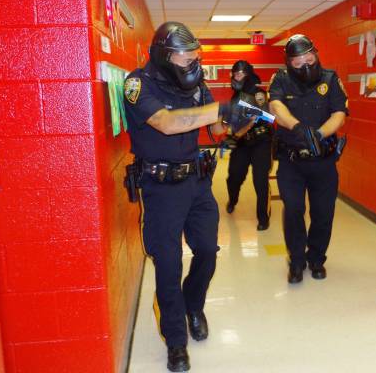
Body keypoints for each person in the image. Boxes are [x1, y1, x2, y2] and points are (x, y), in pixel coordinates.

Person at [123, 21, 257, 372]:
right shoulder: (138, 83)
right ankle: (176, 341)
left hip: (197, 182)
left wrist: (240, 119)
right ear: (166, 56)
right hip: (160, 186)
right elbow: (166, 123)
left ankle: (193, 306)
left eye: (197, 57)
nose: (194, 65)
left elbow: (215, 130)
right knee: (168, 265)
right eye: (188, 58)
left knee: (208, 252)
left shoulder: (196, 84)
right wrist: (222, 109)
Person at [269, 34, 348, 284]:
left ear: (316, 55)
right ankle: (296, 260)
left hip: (323, 161)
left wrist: (320, 134)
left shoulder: (330, 78)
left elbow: (339, 113)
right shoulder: (280, 79)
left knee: (323, 213)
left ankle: (316, 259)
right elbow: (276, 107)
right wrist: (297, 128)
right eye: (298, 61)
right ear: (289, 62)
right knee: (293, 210)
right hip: (291, 161)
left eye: (309, 58)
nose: (305, 64)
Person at [225, 60, 274, 231]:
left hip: (261, 141)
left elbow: (270, 118)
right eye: (235, 73)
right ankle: (232, 200)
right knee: (233, 178)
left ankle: (263, 217)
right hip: (241, 143)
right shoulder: (236, 95)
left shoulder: (259, 93)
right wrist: (230, 134)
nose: (237, 77)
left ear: (248, 75)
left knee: (260, 181)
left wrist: (254, 114)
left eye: (241, 74)